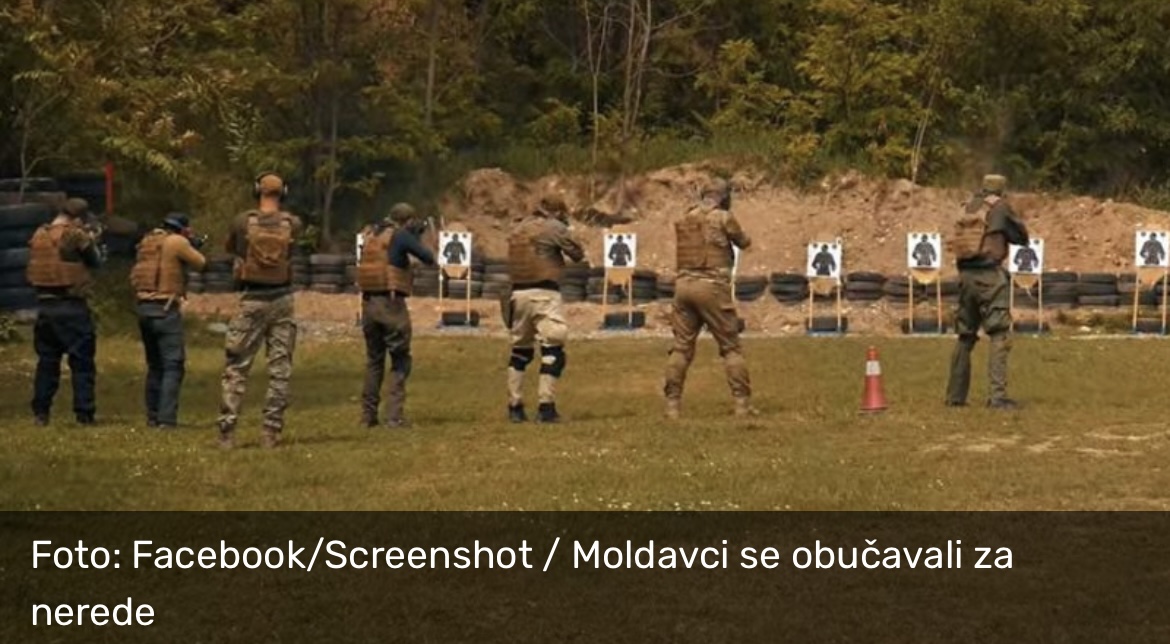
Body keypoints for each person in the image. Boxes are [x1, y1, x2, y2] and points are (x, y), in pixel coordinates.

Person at [217, 172, 304, 448]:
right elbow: (291, 255)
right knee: (280, 368)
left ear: (257, 191)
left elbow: (231, 248)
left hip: (251, 299)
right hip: (282, 300)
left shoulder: (242, 221)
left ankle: (227, 432)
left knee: (237, 367)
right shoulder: (293, 224)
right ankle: (270, 432)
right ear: (284, 193)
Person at [663, 178, 755, 419]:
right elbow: (743, 241)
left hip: (683, 286)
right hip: (712, 287)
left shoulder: (686, 217)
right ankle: (742, 404)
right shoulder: (723, 217)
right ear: (723, 197)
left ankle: (672, 406)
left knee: (681, 348)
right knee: (731, 348)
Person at [945, 174, 1030, 410]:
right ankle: (997, 397)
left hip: (965, 277)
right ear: (1001, 189)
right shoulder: (1000, 207)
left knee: (965, 336)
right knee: (999, 333)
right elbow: (1022, 237)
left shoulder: (968, 206)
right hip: (989, 277)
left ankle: (955, 396)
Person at [505, 194, 585, 423]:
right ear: (557, 212)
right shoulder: (554, 227)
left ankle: (515, 406)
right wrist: (567, 231)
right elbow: (577, 254)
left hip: (516, 294)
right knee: (553, 350)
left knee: (520, 351)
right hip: (544, 294)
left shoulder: (519, 228)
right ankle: (546, 407)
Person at [25, 198, 104, 426]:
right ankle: (84, 413)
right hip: (72, 306)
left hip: (45, 306)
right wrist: (93, 239)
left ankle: (41, 413)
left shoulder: (40, 234)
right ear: (78, 217)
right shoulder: (75, 235)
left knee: (47, 363)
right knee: (82, 363)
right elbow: (95, 261)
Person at [355, 203, 435, 428]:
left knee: (374, 360)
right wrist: (418, 237)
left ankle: (368, 416)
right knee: (400, 359)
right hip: (390, 304)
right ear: (407, 221)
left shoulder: (372, 234)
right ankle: (394, 416)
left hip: (368, 303)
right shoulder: (400, 235)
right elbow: (428, 257)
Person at [130, 212, 207, 428]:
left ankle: (153, 416)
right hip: (165, 310)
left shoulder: (148, 241)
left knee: (155, 365)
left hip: (144, 308)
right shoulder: (177, 242)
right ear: (182, 228)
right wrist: (190, 242)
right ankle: (167, 419)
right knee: (173, 365)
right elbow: (201, 263)